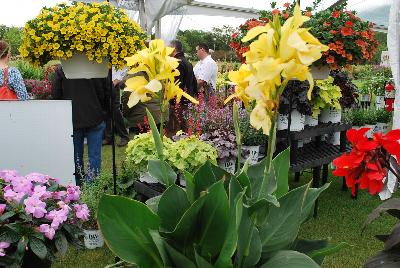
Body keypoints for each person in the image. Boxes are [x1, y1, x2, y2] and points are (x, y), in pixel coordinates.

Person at [52, 66, 110, 184]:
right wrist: (104, 111)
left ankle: (78, 182)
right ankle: (92, 183)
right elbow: (107, 92)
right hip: (95, 115)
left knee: (76, 154)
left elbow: (56, 94)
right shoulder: (98, 67)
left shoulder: (63, 69)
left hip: (73, 116)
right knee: (94, 155)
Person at [167, 40, 197, 135]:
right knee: (184, 126)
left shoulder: (176, 62)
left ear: (174, 49)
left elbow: (175, 84)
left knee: (174, 129)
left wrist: (172, 101)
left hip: (178, 102)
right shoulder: (187, 62)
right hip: (186, 100)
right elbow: (194, 81)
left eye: (169, 48)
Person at [103, 67, 130, 147]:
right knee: (106, 110)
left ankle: (124, 136)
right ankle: (109, 137)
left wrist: (117, 80)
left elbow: (124, 68)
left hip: (114, 83)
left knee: (115, 111)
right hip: (104, 81)